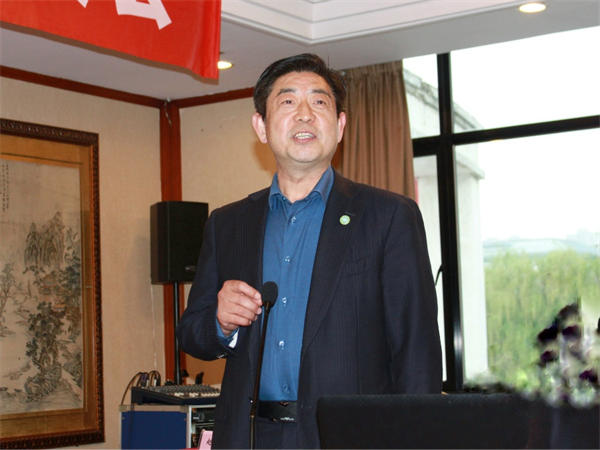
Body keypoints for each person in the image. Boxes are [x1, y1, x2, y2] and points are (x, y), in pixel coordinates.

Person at [177, 53, 442, 449]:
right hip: (251, 436)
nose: (304, 114)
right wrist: (219, 321)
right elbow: (192, 334)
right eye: (287, 101)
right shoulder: (228, 224)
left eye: (319, 102)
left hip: (348, 437)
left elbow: (416, 351)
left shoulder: (388, 217)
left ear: (340, 125)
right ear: (261, 127)